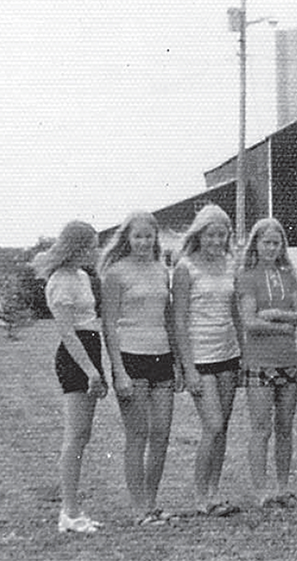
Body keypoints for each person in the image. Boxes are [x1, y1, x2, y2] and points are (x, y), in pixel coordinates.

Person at [99, 211, 180, 526]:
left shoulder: (162, 270)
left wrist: (177, 362)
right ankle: (139, 509)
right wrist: (118, 371)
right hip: (131, 358)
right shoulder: (116, 274)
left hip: (162, 358)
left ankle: (152, 503)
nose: (144, 242)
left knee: (161, 434)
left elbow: (169, 318)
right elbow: (108, 325)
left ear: (155, 238)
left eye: (149, 236)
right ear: (127, 239)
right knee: (138, 435)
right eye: (138, 236)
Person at [33, 220, 107, 534]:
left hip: (91, 347)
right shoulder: (60, 281)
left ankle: (73, 509)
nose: (96, 251)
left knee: (82, 435)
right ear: (77, 247)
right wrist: (91, 371)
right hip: (76, 356)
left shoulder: (82, 277)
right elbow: (67, 332)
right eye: (92, 245)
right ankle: (69, 511)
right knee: (75, 436)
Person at [172, 204, 243, 517]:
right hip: (199, 357)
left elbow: (236, 313)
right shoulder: (185, 267)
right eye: (211, 234)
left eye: (221, 235)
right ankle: (201, 496)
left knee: (222, 428)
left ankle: (215, 492)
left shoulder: (230, 264)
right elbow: (178, 320)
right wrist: (187, 368)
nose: (216, 240)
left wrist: (243, 353)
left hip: (228, 354)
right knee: (212, 426)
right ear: (199, 234)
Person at [236, 218, 297, 508]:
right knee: (261, 427)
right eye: (266, 242)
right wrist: (282, 326)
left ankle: (282, 486)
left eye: (276, 243)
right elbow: (250, 322)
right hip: (259, 362)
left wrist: (275, 313)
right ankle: (261, 490)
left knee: (285, 427)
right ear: (256, 243)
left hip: (288, 360)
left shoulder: (288, 273)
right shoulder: (247, 275)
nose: (271, 248)